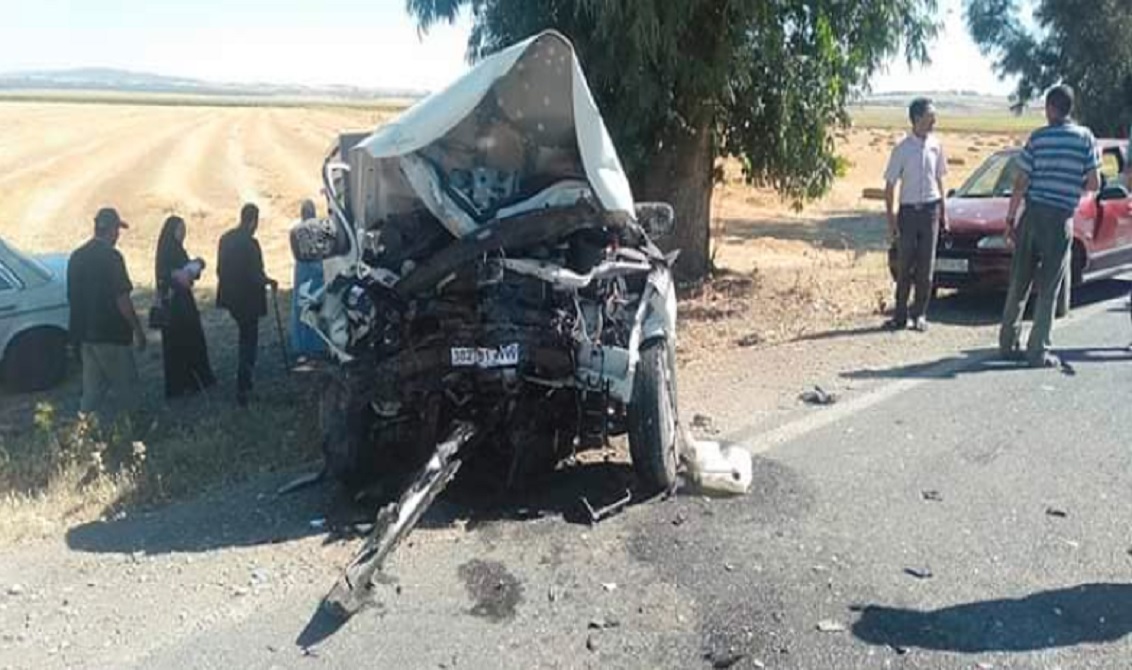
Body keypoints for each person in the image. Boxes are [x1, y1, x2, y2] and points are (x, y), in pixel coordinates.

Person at [1000, 85, 1100, 368]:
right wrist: (1071, 183)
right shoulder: (1085, 138)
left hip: (1032, 213)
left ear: (1050, 108)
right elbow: (1094, 183)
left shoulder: (1038, 138)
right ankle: (1038, 350)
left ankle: (1008, 342)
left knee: (1019, 281)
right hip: (1059, 218)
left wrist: (1010, 219)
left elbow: (1021, 181)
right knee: (1050, 286)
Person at [67, 207, 146, 419]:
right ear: (111, 230)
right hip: (112, 335)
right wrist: (138, 330)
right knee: (127, 386)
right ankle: (136, 428)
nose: (118, 235)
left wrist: (76, 336)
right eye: (117, 230)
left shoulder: (76, 256)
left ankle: (84, 430)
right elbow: (122, 299)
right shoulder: (112, 257)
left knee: (91, 391)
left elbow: (72, 298)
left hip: (86, 335)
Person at [883, 97, 949, 332]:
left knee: (926, 267)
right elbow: (890, 186)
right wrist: (891, 220)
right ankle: (900, 315)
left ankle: (920, 314)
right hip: (908, 212)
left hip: (931, 210)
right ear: (917, 118)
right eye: (930, 117)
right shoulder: (902, 149)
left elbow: (940, 179)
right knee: (905, 266)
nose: (934, 121)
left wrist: (943, 211)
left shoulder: (936, 145)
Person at [217, 203, 277, 406]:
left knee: (244, 337)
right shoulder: (251, 244)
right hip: (248, 300)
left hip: (231, 298)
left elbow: (219, 270)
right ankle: (244, 386)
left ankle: (245, 383)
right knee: (248, 343)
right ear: (253, 221)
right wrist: (269, 281)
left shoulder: (225, 239)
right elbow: (255, 274)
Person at [155, 215, 216, 398]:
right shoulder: (170, 251)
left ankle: (189, 381)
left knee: (187, 341)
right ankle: (187, 382)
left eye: (184, 229)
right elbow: (174, 276)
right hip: (177, 304)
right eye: (180, 229)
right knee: (185, 342)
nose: (183, 233)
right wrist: (191, 269)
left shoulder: (174, 249)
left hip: (180, 302)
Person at [290, 199, 327, 360]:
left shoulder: (296, 231)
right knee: (313, 308)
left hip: (305, 274)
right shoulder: (320, 230)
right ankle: (314, 345)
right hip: (314, 274)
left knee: (305, 308)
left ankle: (304, 345)